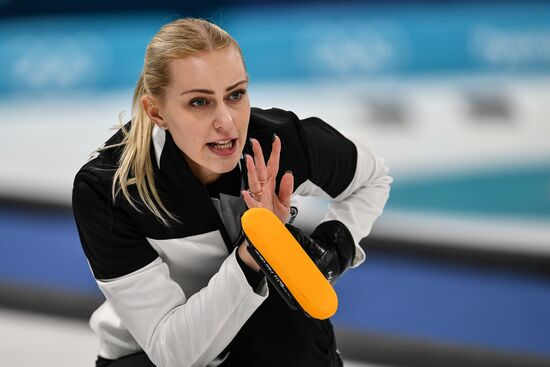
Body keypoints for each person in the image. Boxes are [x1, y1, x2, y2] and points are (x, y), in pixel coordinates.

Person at [72, 18, 392, 367]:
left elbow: (373, 177)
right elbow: (171, 353)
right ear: (156, 111)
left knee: (295, 326)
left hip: (262, 336)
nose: (226, 122)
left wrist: (333, 250)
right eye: (199, 103)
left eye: (235, 95)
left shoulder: (277, 142)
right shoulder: (108, 190)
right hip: (147, 355)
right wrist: (256, 250)